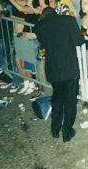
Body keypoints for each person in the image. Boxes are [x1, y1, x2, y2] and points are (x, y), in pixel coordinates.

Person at [34, 7, 85, 142]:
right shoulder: (68, 20)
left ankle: (55, 129)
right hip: (69, 67)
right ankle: (67, 132)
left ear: (43, 15)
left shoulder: (39, 25)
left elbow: (43, 44)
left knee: (57, 98)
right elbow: (79, 41)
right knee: (70, 101)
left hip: (53, 68)